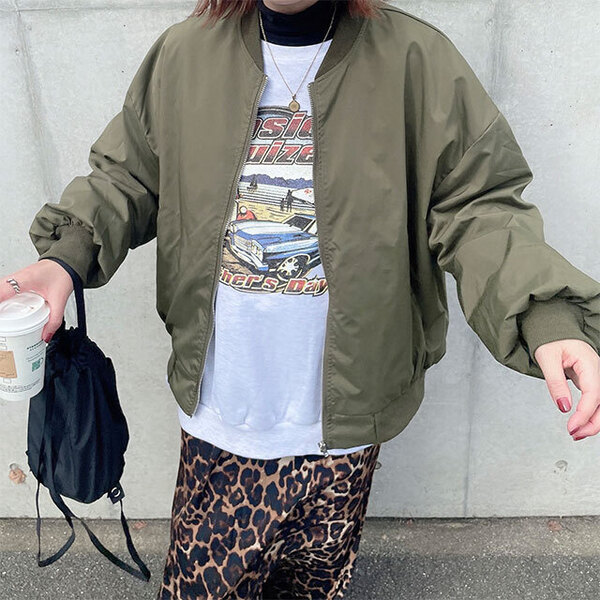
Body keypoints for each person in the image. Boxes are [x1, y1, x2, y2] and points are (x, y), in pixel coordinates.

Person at [3, 0, 600, 598]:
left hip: (348, 416)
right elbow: (126, 177)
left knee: (315, 587)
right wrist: (65, 256)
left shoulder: (415, 61)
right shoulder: (186, 55)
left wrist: (545, 313)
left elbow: (478, 206)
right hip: (226, 410)